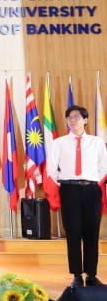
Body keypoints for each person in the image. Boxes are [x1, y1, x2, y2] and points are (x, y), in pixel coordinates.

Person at [46, 105, 107, 288]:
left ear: (85, 120)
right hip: (69, 190)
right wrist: (66, 184)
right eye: (69, 118)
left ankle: (91, 275)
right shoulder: (59, 143)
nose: (72, 120)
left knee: (91, 233)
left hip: (91, 190)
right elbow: (51, 169)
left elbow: (104, 167)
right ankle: (76, 275)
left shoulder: (97, 142)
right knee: (72, 233)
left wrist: (92, 181)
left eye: (77, 117)